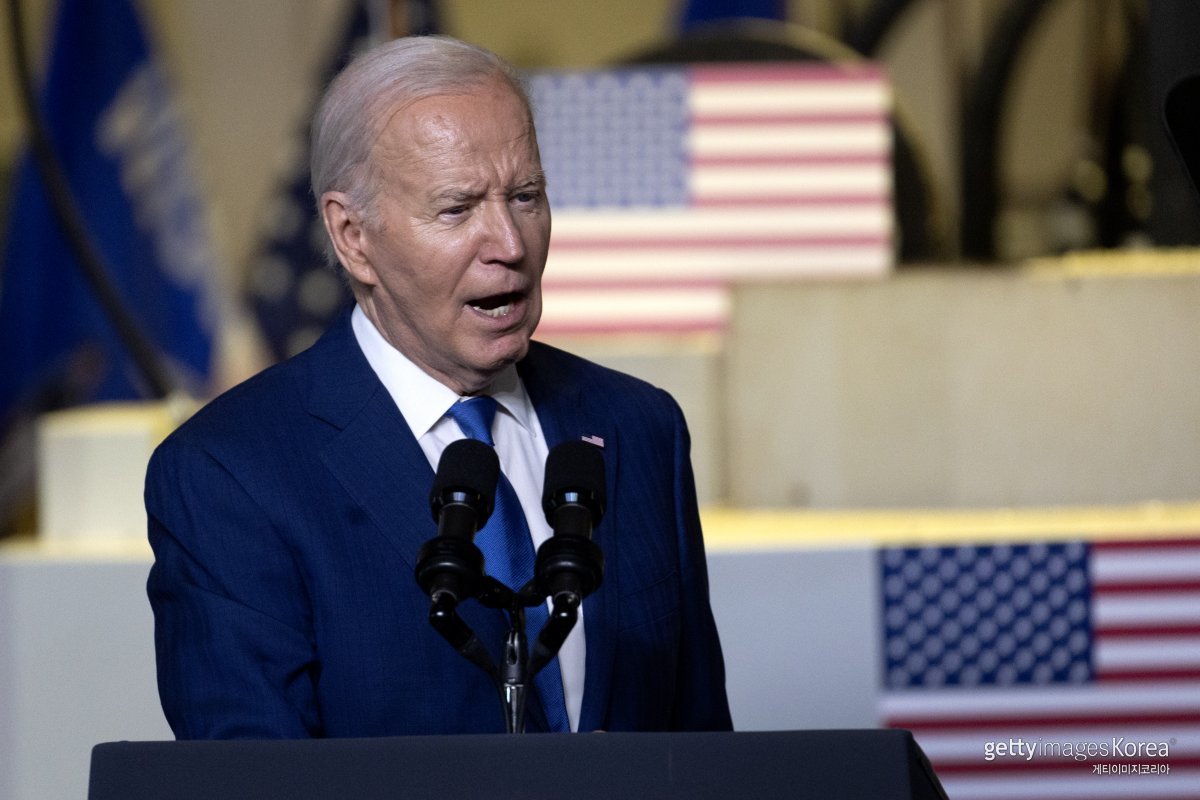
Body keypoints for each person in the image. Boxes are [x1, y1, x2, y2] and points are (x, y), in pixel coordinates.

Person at [145, 34, 732, 739]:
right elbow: (248, 784)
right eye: (457, 209)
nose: (510, 243)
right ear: (352, 236)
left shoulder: (640, 427)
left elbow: (701, 754)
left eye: (526, 196)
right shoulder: (230, 474)